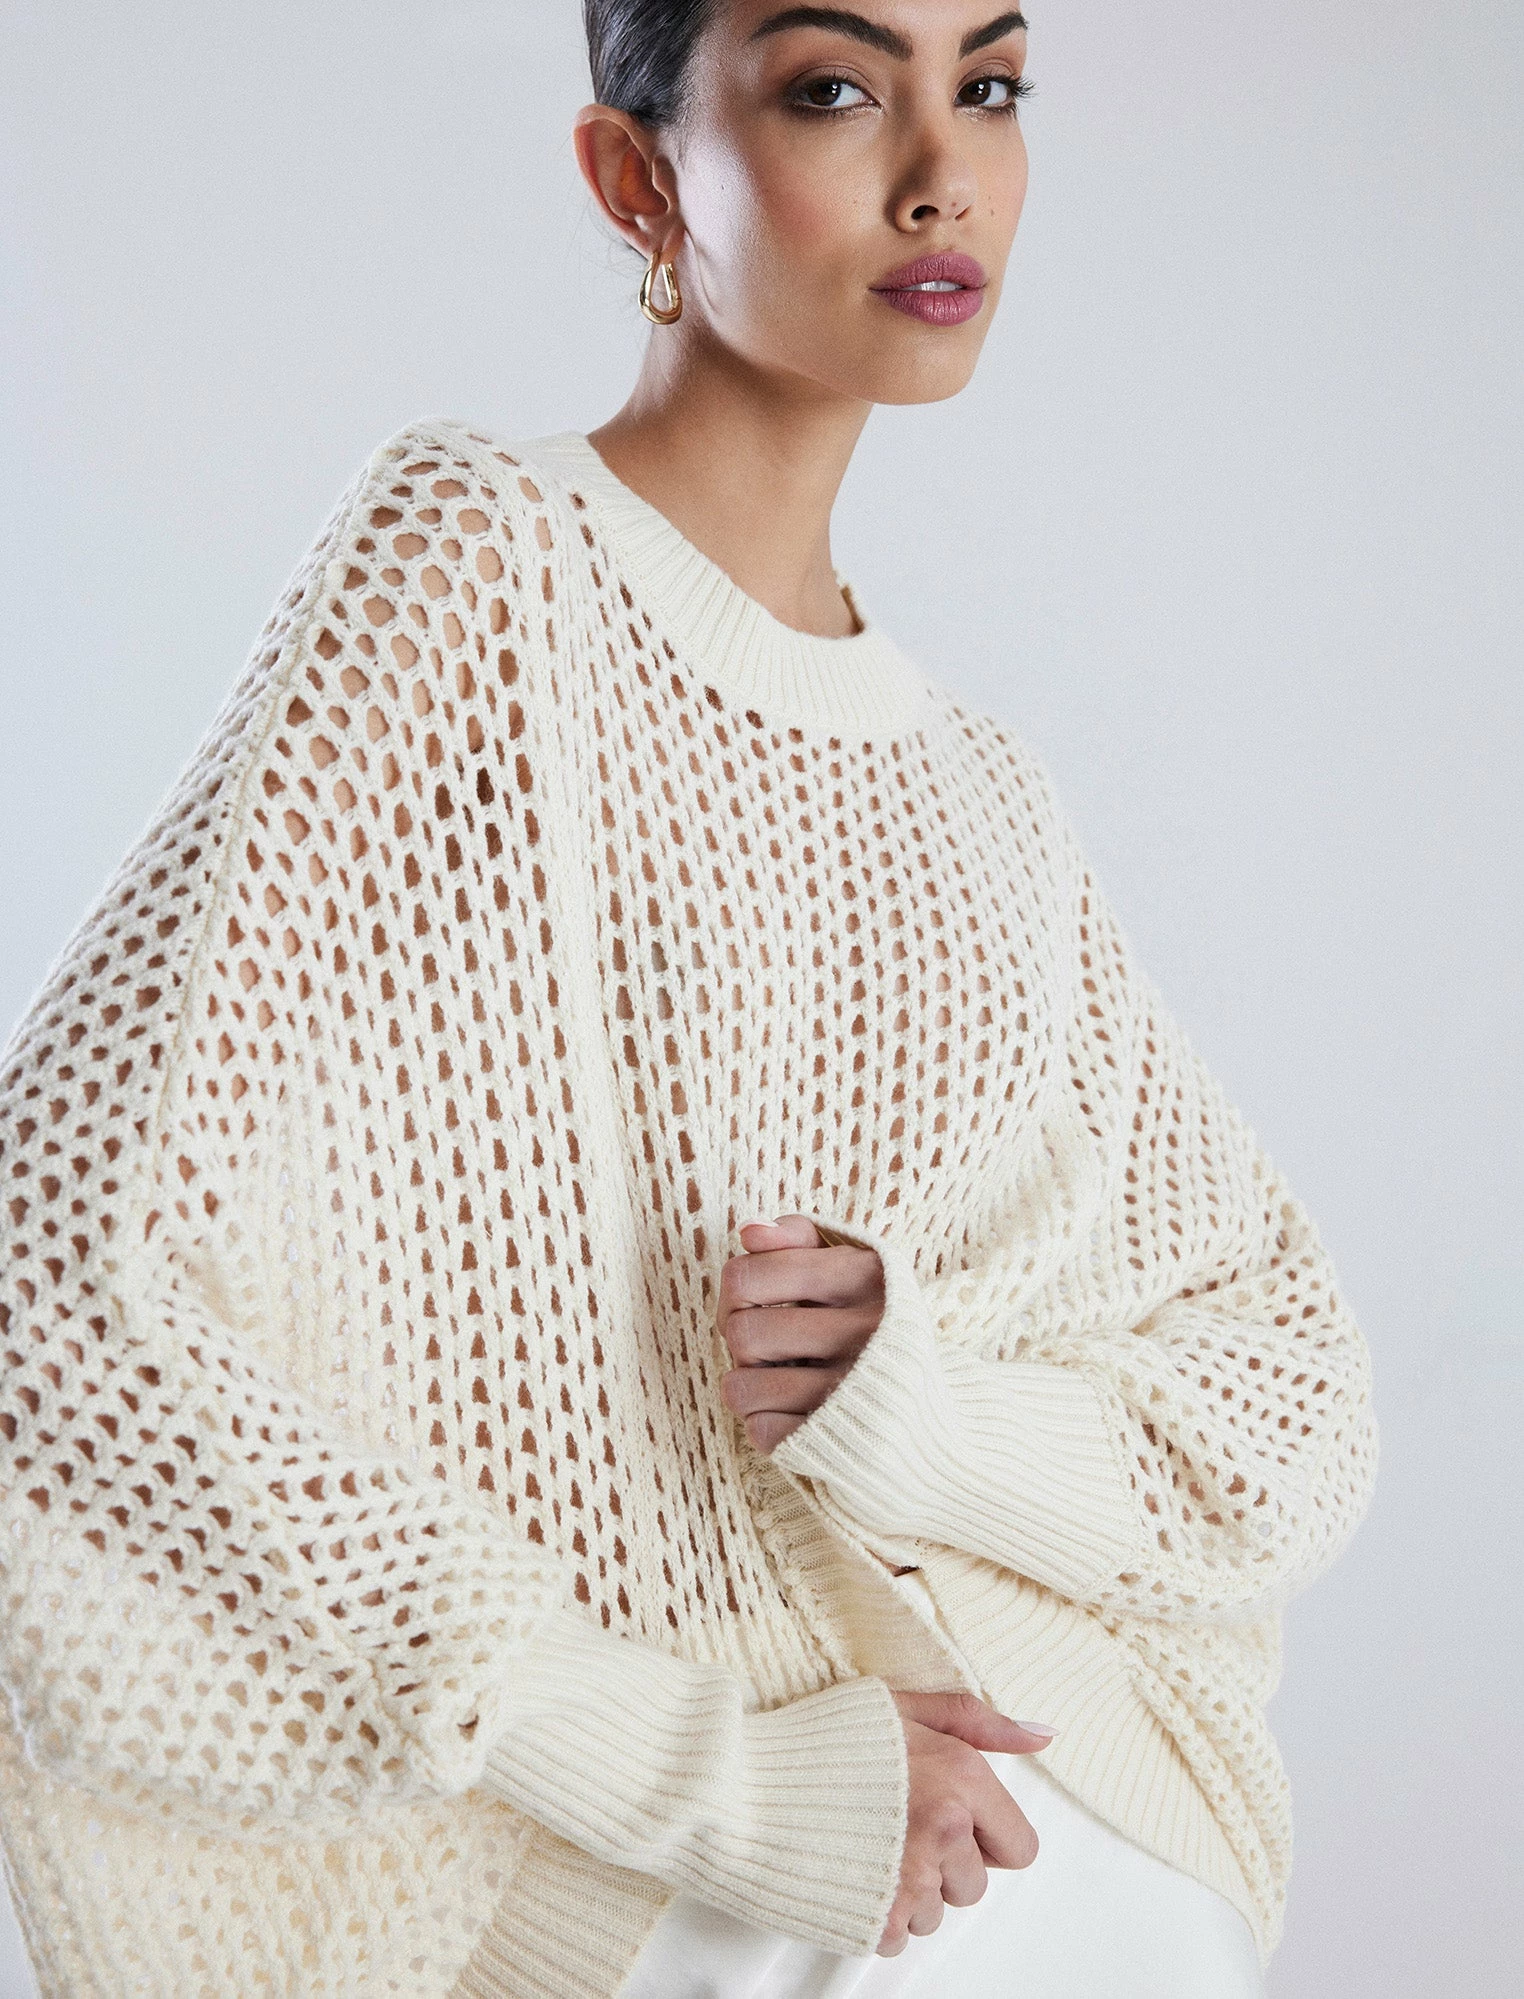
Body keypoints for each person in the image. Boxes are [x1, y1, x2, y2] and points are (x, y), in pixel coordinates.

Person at [0, 3, 1378, 1995]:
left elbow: (1296, 1393)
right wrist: (703, 1773)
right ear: (637, 176)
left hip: (1104, 1874)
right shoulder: (481, 568)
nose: (944, 174)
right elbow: (55, 1272)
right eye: (836, 89)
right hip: (723, 1905)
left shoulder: (981, 789)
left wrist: (925, 1422)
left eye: (989, 87)